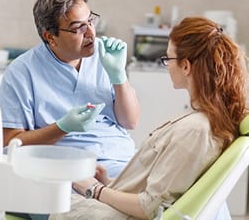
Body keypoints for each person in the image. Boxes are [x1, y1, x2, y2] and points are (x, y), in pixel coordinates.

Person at [49, 16, 248, 220]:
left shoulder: (196, 130)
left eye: (168, 59)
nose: (167, 65)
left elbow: (149, 207)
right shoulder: (206, 121)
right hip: (128, 202)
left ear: (186, 66)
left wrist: (95, 189)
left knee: (56, 203)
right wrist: (109, 182)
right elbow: (163, 186)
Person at [0, 0, 140, 178]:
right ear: (51, 37)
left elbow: (130, 121)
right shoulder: (21, 73)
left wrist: (119, 77)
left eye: (90, 21)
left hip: (122, 160)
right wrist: (62, 127)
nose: (91, 33)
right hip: (69, 169)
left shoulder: (104, 54)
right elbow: (11, 144)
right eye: (78, 27)